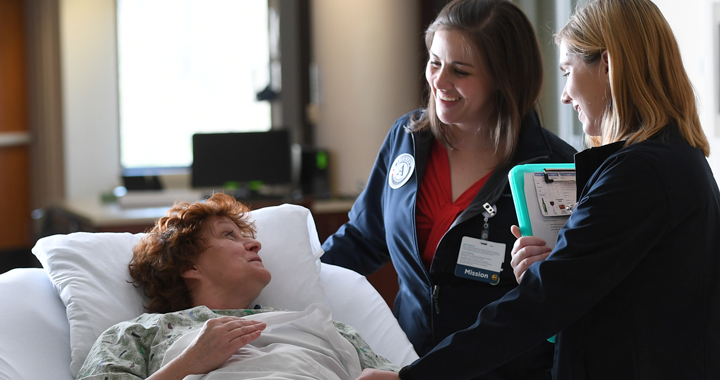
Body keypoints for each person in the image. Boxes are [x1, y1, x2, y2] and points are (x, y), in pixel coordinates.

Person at [357, 0, 720, 379]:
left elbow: (543, 303)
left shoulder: (639, 174)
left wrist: (414, 377)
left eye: (568, 71)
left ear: (609, 66)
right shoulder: (673, 160)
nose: (564, 95)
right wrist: (554, 266)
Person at [321, 0, 576, 379]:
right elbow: (362, 237)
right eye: (434, 62)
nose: (439, 82)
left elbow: (561, 298)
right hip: (407, 362)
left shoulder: (552, 169)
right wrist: (295, 284)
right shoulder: (407, 139)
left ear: (504, 80)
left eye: (460, 71)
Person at [75, 193, 398, 380]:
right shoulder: (140, 334)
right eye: (229, 235)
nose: (254, 245)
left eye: (248, 236)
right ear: (189, 266)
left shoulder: (328, 329)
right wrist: (188, 364)